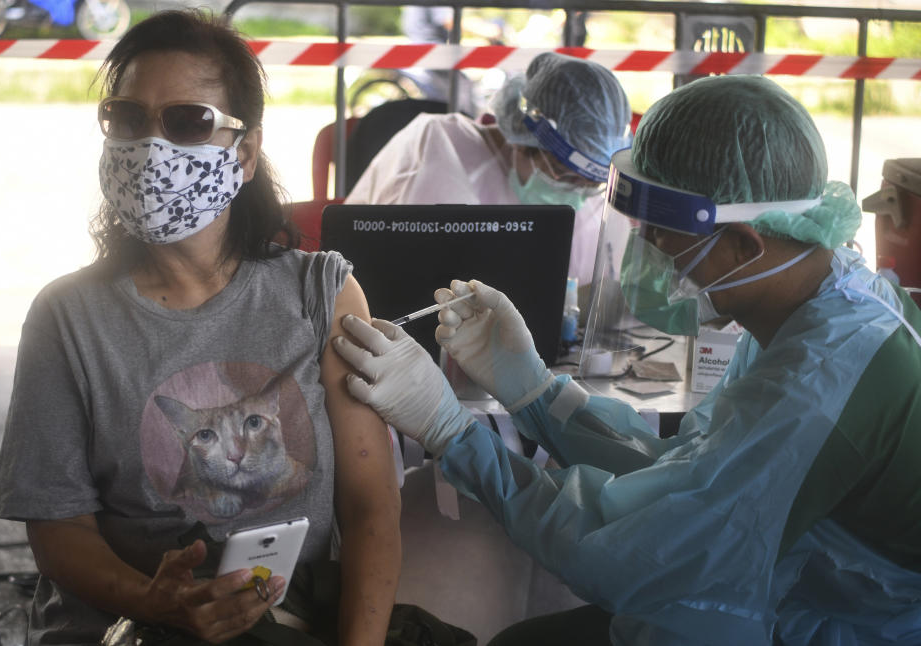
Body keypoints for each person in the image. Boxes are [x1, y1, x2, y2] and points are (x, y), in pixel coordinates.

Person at [332, 74, 921, 645]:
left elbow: (630, 553)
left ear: (747, 244)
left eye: (664, 233)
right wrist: (535, 393)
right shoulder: (823, 302)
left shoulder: (818, 383)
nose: (649, 251)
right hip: (799, 593)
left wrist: (451, 431)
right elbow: (686, 471)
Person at [0, 10, 403, 645]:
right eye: (127, 118)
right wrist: (156, 601)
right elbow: (58, 527)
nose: (151, 146)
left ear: (246, 152)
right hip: (123, 626)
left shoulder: (321, 293)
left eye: (188, 121)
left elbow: (372, 509)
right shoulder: (66, 318)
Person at [346, 51, 633, 287]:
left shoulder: (593, 198)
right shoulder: (443, 147)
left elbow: (602, 287)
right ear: (523, 140)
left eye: (591, 184)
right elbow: (421, 278)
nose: (578, 197)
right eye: (566, 176)